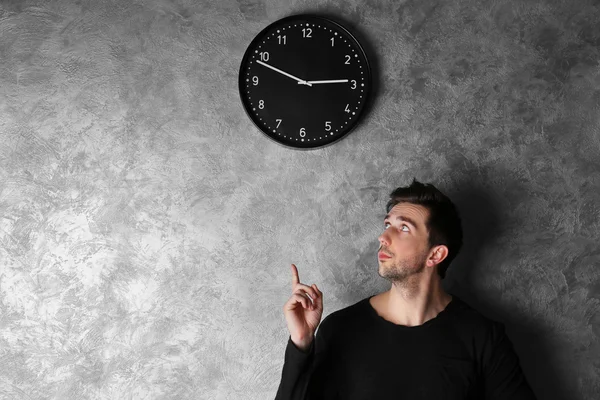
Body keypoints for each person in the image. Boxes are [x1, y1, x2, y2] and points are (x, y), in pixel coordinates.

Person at [275, 178, 537, 400]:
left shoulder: (482, 338)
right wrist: (301, 344)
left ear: (435, 255)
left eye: (403, 228)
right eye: (387, 224)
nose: (383, 237)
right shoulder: (340, 329)